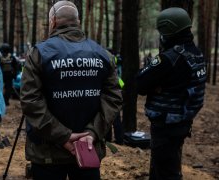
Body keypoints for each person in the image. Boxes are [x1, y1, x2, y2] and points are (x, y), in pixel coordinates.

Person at [20, 1, 123, 179]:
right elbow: (113, 99)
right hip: (88, 149)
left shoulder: (39, 53)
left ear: (52, 22)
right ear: (78, 22)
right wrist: (91, 133)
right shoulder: (102, 54)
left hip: (48, 153)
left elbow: (30, 101)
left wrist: (63, 136)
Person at [136, 7, 206, 180]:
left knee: (166, 172)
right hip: (182, 122)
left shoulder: (169, 58)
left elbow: (139, 84)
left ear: (167, 30)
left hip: (166, 124)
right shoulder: (195, 54)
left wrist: (157, 86)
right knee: (165, 167)